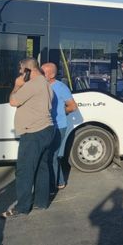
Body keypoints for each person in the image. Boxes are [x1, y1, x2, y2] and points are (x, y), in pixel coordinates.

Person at [1, 58, 54, 219]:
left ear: (28, 70)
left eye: (21, 70)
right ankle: (41, 202)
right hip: (46, 129)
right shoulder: (45, 83)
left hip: (33, 133)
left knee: (25, 170)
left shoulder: (32, 85)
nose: (19, 73)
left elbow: (13, 101)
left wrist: (17, 85)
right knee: (42, 167)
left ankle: (22, 207)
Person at [41, 62, 77, 191]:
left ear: (52, 75)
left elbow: (73, 106)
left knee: (52, 155)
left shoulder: (61, 87)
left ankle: (55, 184)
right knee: (51, 155)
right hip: (46, 125)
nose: (40, 74)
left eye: (43, 72)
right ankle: (59, 181)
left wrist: (61, 112)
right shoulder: (41, 86)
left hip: (59, 126)